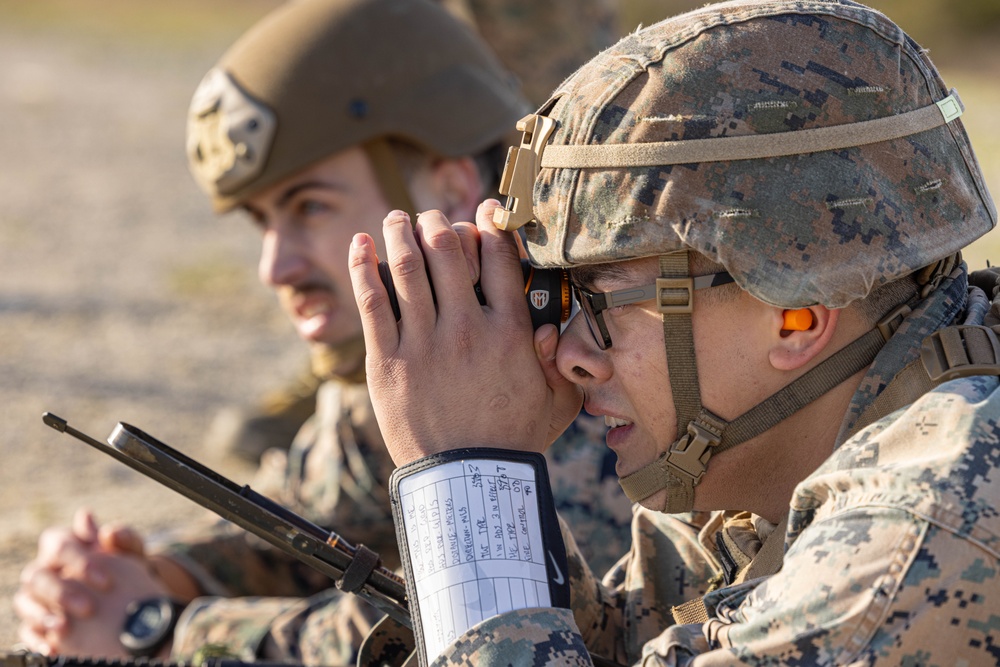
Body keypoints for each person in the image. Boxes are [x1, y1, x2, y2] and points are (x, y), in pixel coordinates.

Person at [348, 0, 1000, 664]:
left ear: (794, 313)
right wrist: (498, 478)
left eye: (602, 299)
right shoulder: (778, 447)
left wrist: (466, 482)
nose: (568, 352)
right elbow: (626, 639)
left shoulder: (917, 540)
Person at [12, 0, 634, 662]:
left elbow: (488, 624)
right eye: (262, 221)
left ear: (451, 189)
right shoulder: (431, 348)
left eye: (308, 206)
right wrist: (135, 576)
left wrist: (160, 632)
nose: (274, 266)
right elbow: (313, 519)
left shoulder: (573, 362)